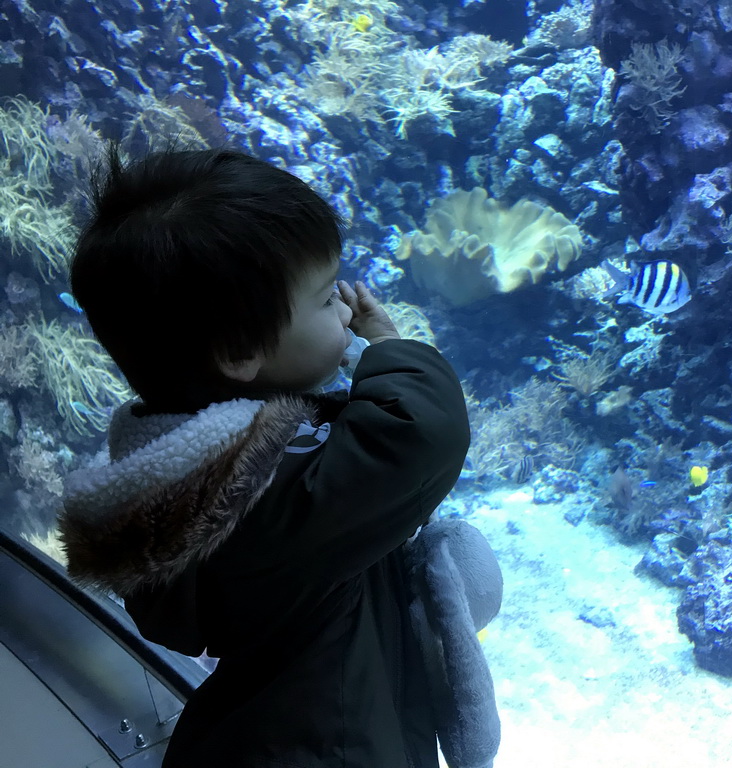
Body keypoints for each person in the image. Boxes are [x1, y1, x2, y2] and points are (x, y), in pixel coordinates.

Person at [58, 146, 474, 767]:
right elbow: (418, 437)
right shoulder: (264, 500)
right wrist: (389, 347)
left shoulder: (193, 481)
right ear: (240, 353)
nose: (346, 307)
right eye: (325, 296)